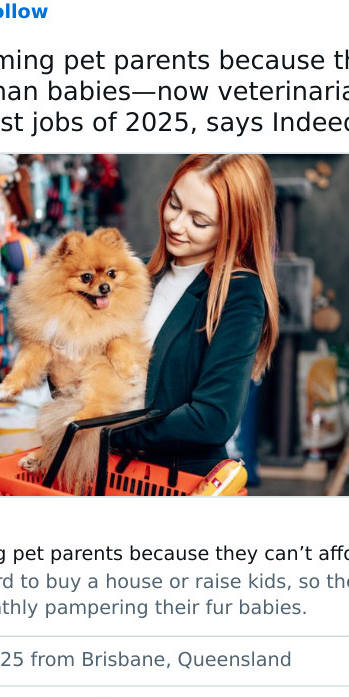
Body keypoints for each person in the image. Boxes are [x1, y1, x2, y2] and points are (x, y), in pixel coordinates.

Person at [111, 154, 279, 477]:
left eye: (198, 221)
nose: (175, 225)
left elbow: (212, 418)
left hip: (175, 479)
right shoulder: (138, 274)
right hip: (110, 472)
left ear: (234, 230)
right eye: (174, 204)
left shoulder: (238, 293)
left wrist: (108, 430)